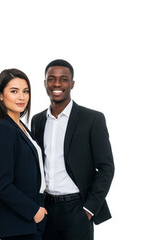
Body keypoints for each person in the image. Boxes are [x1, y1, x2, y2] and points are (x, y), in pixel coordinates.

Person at [31, 59, 114, 240]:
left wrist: (89, 209)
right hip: (46, 209)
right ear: (45, 84)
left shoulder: (92, 119)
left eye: (64, 79)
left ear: (72, 84)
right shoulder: (37, 121)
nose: (57, 84)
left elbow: (106, 167)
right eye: (51, 79)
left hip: (77, 208)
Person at [0, 69, 46, 240]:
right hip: (19, 225)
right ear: (1, 95)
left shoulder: (20, 126)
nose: (22, 97)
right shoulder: (3, 129)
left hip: (31, 221)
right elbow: (2, 183)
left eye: (25, 91)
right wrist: (33, 211)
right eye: (14, 91)